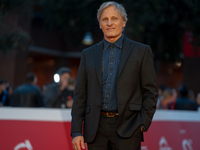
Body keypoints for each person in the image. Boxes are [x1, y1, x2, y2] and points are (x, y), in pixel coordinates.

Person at [71, 2, 158, 150]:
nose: (109, 23)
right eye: (105, 19)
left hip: (129, 127)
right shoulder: (88, 54)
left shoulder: (141, 51)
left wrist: (142, 124)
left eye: (114, 18)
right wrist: (76, 131)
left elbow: (151, 92)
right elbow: (80, 94)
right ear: (100, 24)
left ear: (123, 22)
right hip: (95, 128)